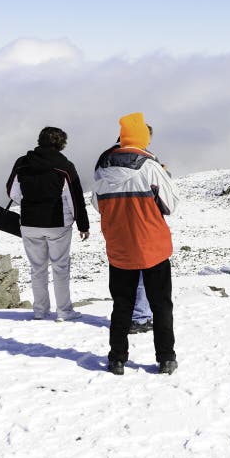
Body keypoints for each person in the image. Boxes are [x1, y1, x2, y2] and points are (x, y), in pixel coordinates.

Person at [92, 112, 179, 375]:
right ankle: (165, 358)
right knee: (161, 305)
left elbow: (99, 206)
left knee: (121, 305)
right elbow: (170, 205)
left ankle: (117, 358)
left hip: (119, 248)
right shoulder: (151, 167)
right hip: (152, 247)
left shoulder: (102, 170)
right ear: (142, 139)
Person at [6, 127, 90, 322]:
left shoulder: (22, 162)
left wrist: (28, 204)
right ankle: (64, 311)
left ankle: (40, 311)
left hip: (29, 222)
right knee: (60, 267)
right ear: (60, 143)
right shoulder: (64, 165)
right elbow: (75, 197)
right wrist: (82, 225)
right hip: (57, 223)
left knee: (37, 268)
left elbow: (12, 191)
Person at [96, 125, 157, 335]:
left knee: (121, 272)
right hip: (141, 224)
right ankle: (140, 317)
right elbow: (164, 200)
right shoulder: (147, 160)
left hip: (114, 225)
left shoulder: (104, 160)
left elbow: (97, 196)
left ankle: (126, 315)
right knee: (142, 270)